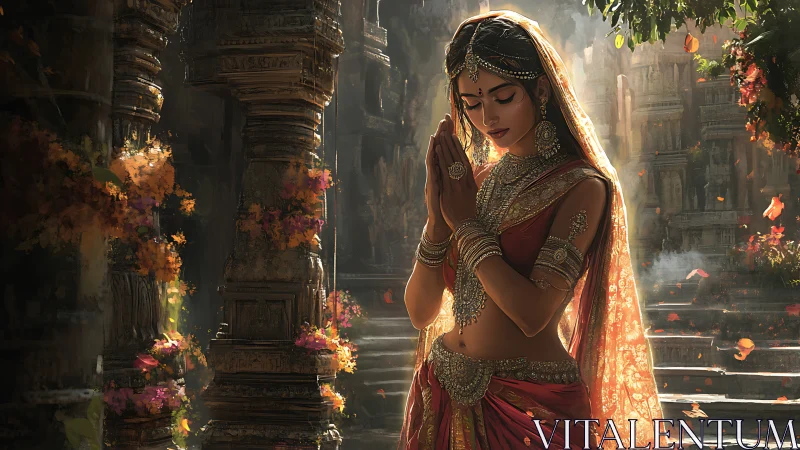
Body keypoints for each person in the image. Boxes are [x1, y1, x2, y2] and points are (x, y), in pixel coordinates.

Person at [399, 10, 665, 450]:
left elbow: (533, 314)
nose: (487, 116)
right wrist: (435, 219)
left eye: (503, 97)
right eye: (471, 102)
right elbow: (420, 312)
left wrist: (464, 224)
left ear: (540, 89)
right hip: (441, 394)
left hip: (531, 411)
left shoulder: (582, 187)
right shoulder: (476, 182)